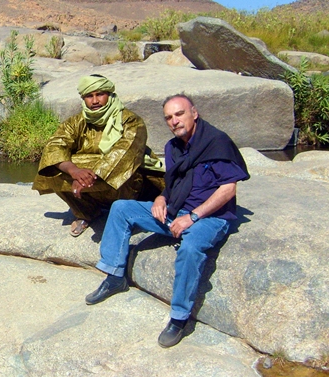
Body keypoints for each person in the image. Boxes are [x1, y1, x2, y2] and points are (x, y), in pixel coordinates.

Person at [85, 94, 250, 348]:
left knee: (191, 248)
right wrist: (161, 198)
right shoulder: (174, 147)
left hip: (209, 217)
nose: (174, 121)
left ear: (194, 113)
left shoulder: (217, 142)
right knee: (120, 209)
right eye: (169, 117)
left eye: (179, 114)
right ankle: (115, 276)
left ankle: (179, 318)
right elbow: (173, 185)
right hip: (176, 209)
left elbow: (228, 189)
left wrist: (192, 217)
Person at [33, 74, 164, 237]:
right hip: (91, 183)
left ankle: (125, 215)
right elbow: (55, 146)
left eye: (100, 94)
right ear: (83, 98)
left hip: (128, 186)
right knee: (51, 171)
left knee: (126, 168)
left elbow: (124, 153)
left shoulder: (131, 121)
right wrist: (74, 172)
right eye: (89, 96)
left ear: (109, 95)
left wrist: (91, 176)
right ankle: (86, 212)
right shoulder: (75, 122)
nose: (95, 101)